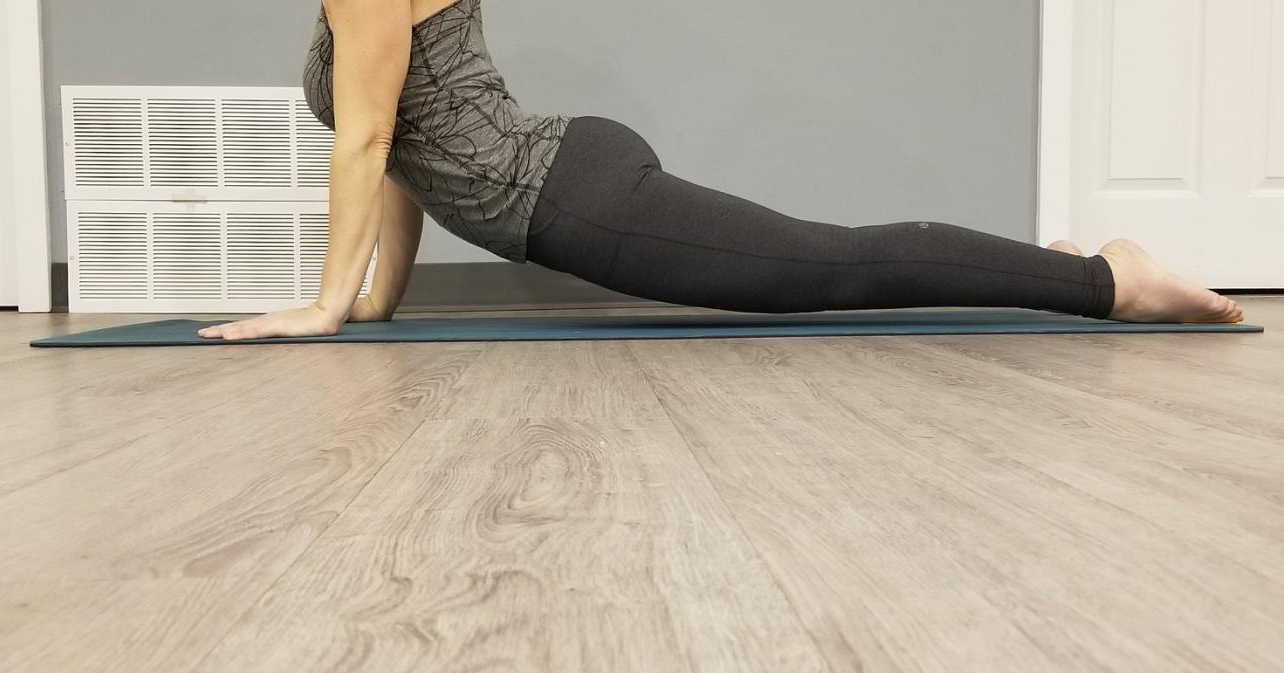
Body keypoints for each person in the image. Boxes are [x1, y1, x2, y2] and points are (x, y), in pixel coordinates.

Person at [199, 0, 1243, 341]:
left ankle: (1109, 275)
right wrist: (379, 298)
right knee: (825, 261)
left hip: (571, 193)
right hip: (566, 160)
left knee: (829, 268)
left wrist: (326, 306)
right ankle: (1049, 262)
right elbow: (410, 152)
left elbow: (370, 138)